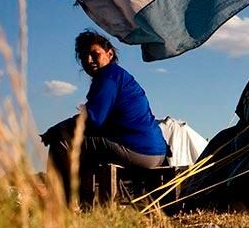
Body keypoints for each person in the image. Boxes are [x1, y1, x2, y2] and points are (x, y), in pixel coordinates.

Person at [41, 30, 167, 204]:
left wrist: (58, 128)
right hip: (156, 152)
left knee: (61, 141)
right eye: (84, 56)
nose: (89, 60)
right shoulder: (119, 76)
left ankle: (59, 205)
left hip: (140, 151)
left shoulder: (108, 77)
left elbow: (93, 120)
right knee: (86, 144)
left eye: (94, 54)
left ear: (110, 54)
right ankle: (84, 201)